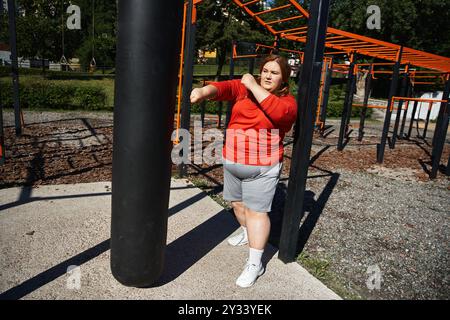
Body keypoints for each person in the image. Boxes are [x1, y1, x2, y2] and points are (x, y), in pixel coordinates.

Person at [190, 54, 297, 288]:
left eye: (275, 73)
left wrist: (251, 84)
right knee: (237, 205)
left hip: (262, 167)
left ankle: (255, 263)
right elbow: (224, 87)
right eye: (266, 71)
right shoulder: (244, 90)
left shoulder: (287, 102)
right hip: (233, 161)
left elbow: (277, 113)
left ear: (284, 78)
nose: (268, 76)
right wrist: (203, 92)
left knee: (257, 212)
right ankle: (247, 233)